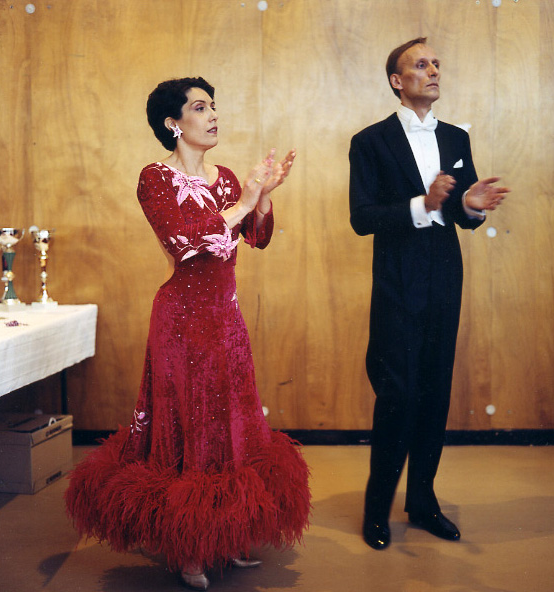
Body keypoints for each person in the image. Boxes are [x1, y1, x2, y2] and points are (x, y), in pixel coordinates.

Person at [65, 77, 310, 590]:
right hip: (181, 324)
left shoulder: (226, 178)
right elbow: (184, 243)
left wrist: (262, 198)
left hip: (227, 321)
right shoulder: (155, 178)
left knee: (232, 428)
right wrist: (244, 201)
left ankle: (227, 532)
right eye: (200, 107)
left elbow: (257, 237)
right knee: (191, 428)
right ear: (173, 123)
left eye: (214, 105)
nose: (213, 114)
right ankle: (188, 546)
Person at [349, 38, 509, 550]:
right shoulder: (370, 141)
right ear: (397, 81)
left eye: (436, 63)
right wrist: (423, 203)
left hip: (444, 277)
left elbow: (460, 212)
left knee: (435, 390)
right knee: (397, 394)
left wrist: (471, 205)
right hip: (397, 281)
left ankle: (422, 501)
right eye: (421, 65)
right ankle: (377, 509)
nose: (434, 70)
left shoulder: (457, 137)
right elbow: (362, 218)